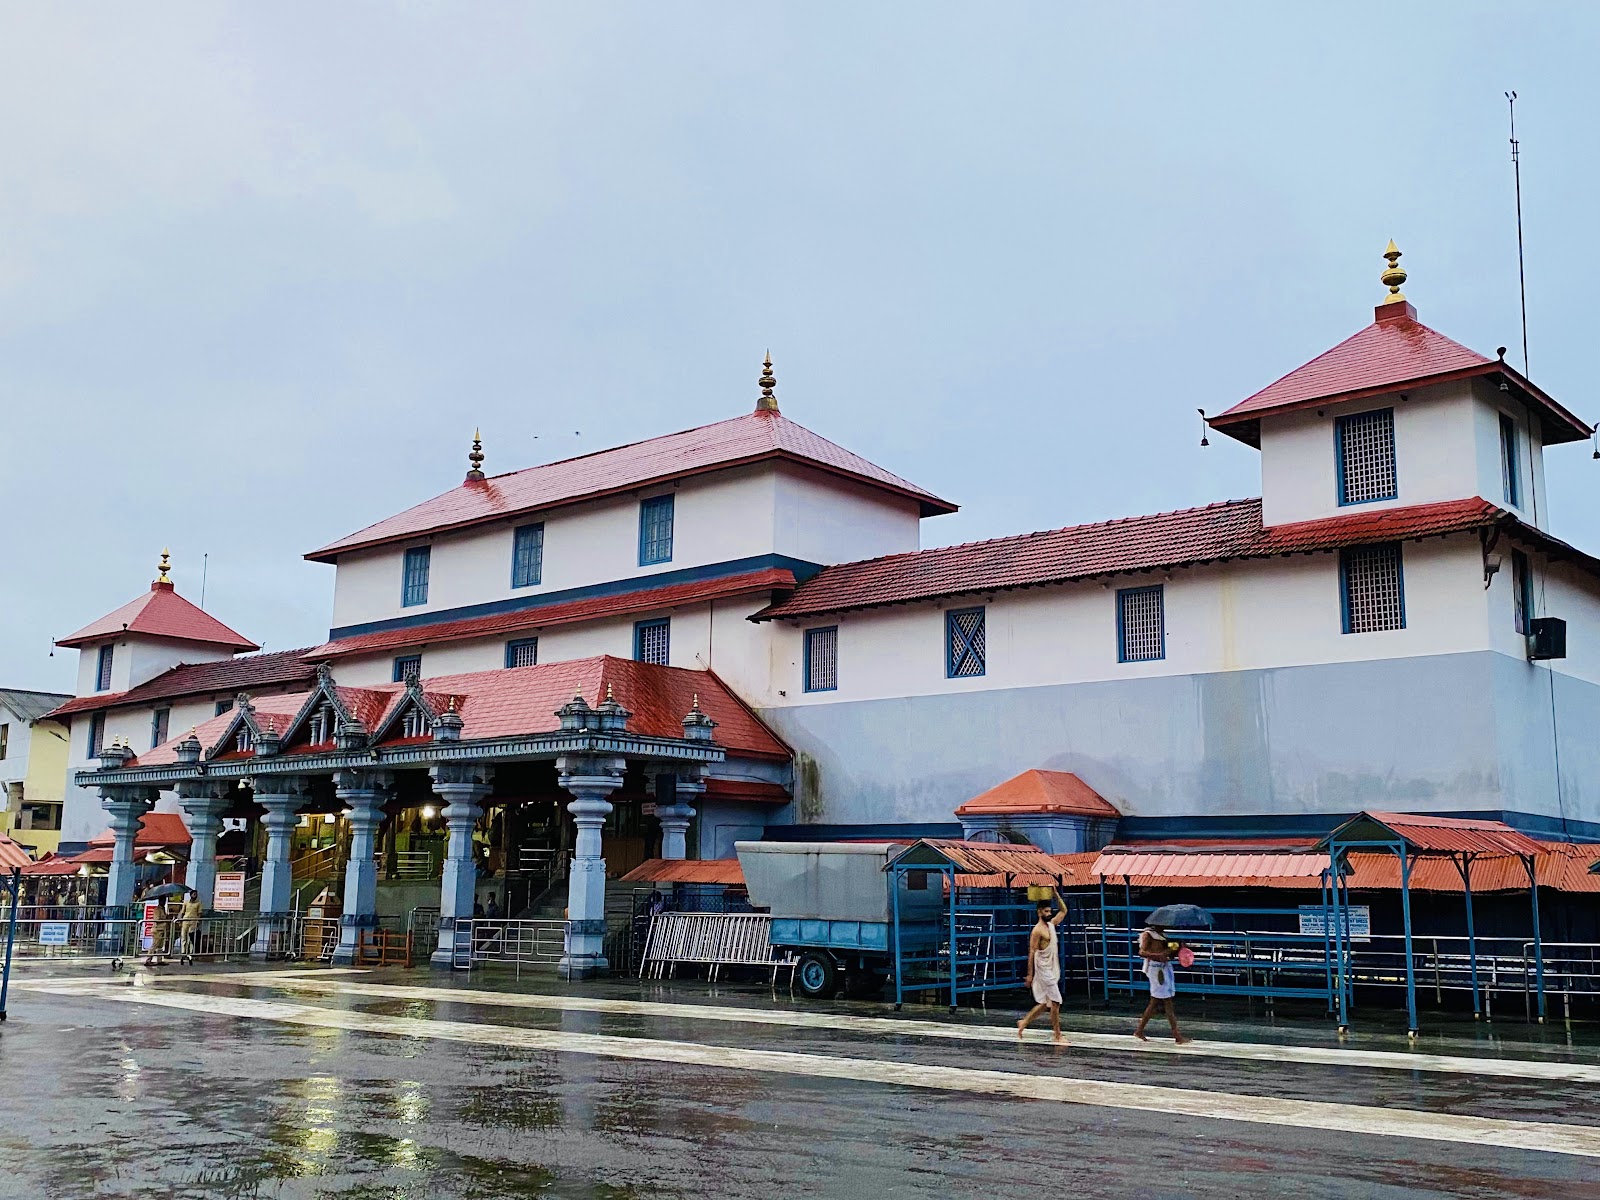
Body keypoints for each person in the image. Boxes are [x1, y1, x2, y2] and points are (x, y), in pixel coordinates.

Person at [1016, 890, 1067, 1044]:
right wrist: (1030, 974)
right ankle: (1057, 1035)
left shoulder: (1051, 925)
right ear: (1039, 912)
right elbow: (1031, 952)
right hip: (1043, 969)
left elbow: (1064, 911)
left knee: (1046, 1003)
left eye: (1050, 911)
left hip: (1051, 967)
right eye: (1046, 911)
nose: (1049, 913)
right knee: (1056, 1001)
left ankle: (1023, 1023)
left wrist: (1055, 894)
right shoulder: (1037, 930)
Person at [1135, 922, 1191, 1043]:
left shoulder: (1163, 936)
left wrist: (1178, 948)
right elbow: (1142, 952)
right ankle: (1177, 1035)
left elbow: (1168, 954)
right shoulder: (1148, 934)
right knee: (1165, 1001)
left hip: (1165, 967)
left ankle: (1139, 1030)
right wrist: (1158, 955)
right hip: (1155, 969)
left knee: (1157, 1001)